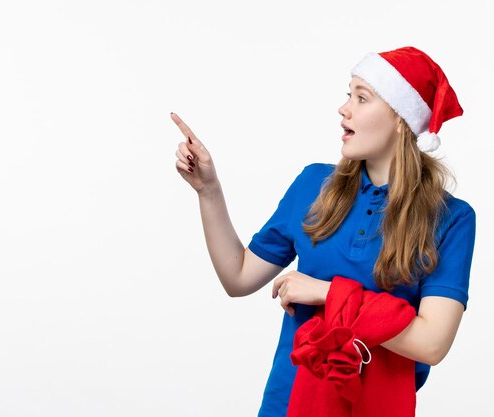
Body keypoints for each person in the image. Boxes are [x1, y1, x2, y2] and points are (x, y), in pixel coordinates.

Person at [171, 46, 476, 417]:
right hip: (288, 404)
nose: (344, 108)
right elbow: (238, 277)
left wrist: (327, 294)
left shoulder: (451, 218)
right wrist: (209, 191)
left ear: (401, 119)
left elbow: (432, 343)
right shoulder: (314, 185)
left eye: (362, 98)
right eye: (349, 94)